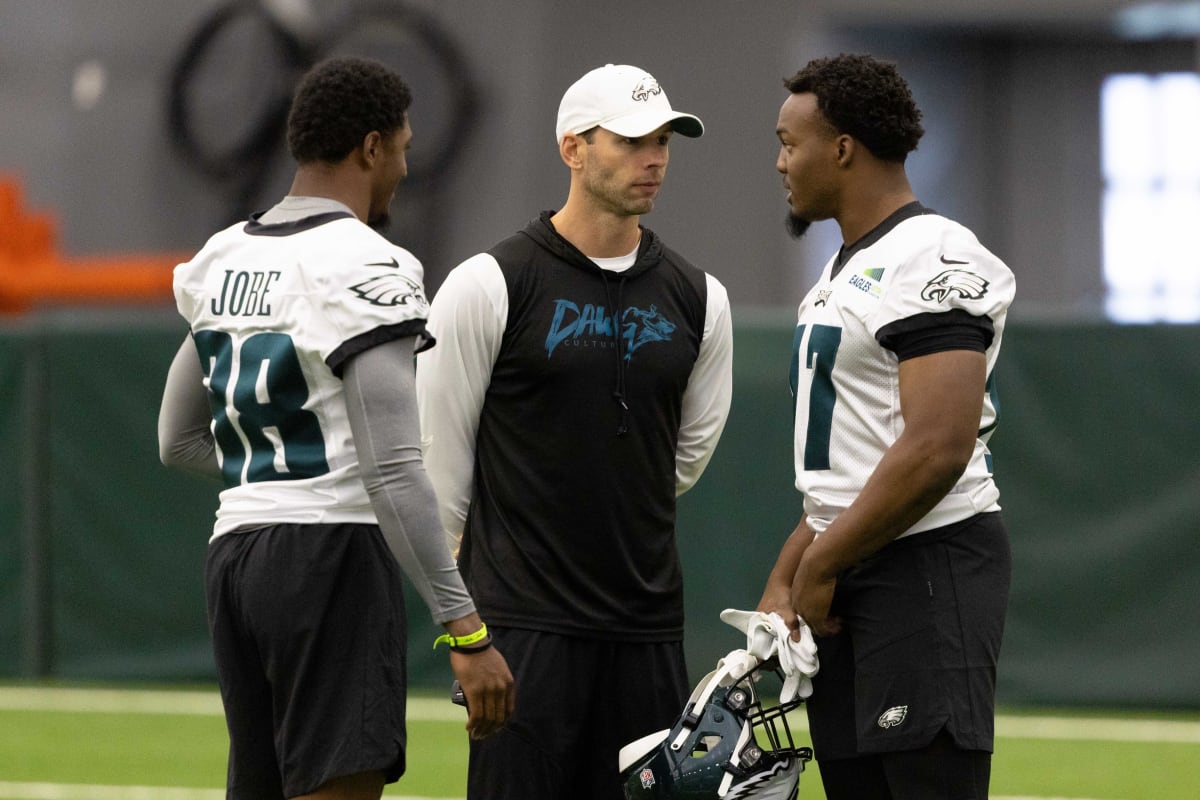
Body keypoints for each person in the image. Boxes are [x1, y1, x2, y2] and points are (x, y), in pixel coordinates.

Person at [157, 56, 514, 800]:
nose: (404, 170)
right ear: (371, 147)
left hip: (236, 557)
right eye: (404, 149)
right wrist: (466, 629)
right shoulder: (366, 262)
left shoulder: (223, 257)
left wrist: (278, 470)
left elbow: (177, 440)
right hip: (330, 558)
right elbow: (391, 468)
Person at [415, 63, 733, 799]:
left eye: (663, 141)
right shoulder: (488, 283)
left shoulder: (700, 297)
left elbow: (681, 459)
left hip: (647, 629)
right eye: (630, 141)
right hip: (524, 630)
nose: (653, 159)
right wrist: (470, 622)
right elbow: (439, 465)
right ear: (573, 149)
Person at [754, 53, 1016, 799]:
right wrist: (787, 575)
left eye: (790, 143)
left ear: (842, 148)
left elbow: (937, 447)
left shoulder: (931, 255)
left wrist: (821, 565)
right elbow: (851, 464)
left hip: (925, 564)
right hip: (852, 561)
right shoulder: (843, 268)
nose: (780, 163)